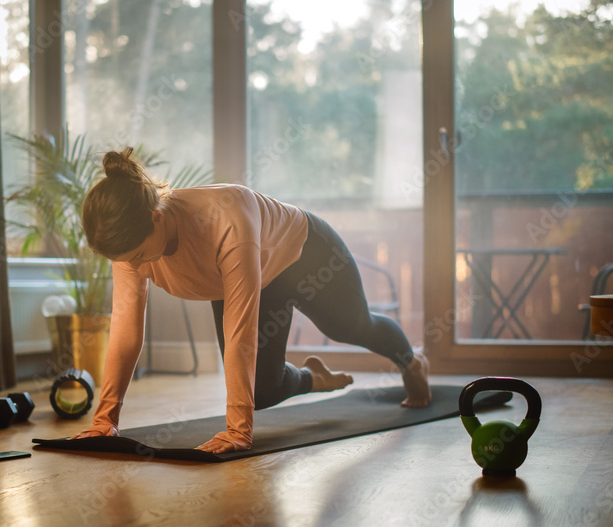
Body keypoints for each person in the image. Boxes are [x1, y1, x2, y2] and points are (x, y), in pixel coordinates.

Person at [71, 148, 430, 454]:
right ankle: (313, 377)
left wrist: (238, 431)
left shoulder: (224, 219)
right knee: (259, 391)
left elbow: (240, 332)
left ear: (156, 218)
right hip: (247, 278)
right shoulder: (128, 245)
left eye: (136, 255)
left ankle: (411, 361)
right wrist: (105, 420)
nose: (132, 266)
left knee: (351, 326)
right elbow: (126, 331)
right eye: (124, 260)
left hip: (307, 254)